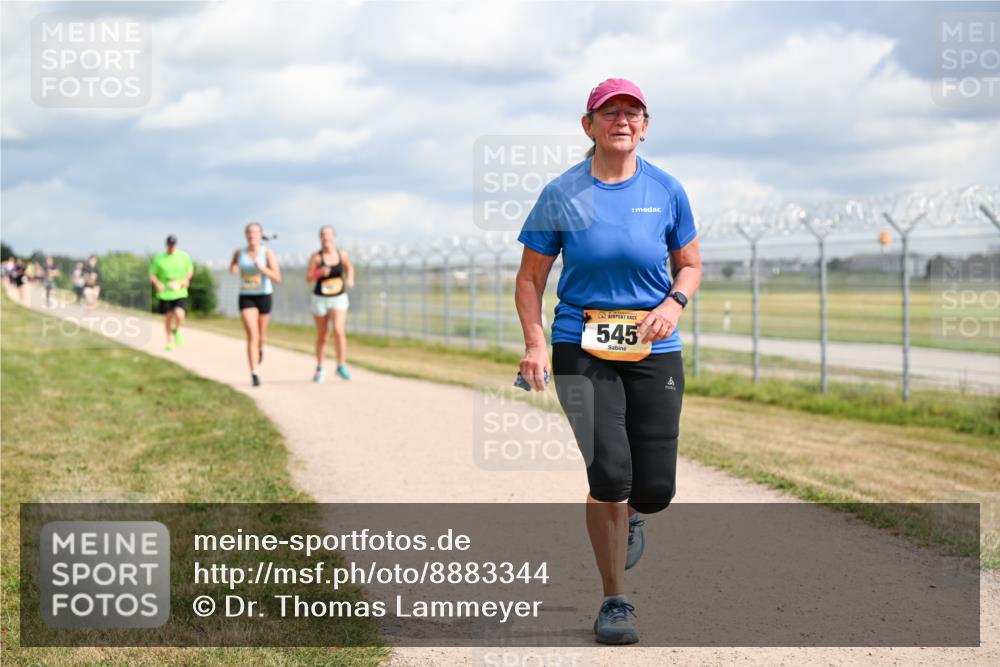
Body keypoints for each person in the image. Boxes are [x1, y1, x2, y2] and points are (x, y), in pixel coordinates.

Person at [514, 78, 702, 645]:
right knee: (610, 474)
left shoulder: (667, 190)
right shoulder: (561, 193)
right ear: (588, 125)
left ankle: (634, 513)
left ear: (645, 126)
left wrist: (673, 304)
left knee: (654, 490)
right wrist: (536, 344)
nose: (622, 120)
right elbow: (530, 279)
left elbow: (690, 265)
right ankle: (614, 600)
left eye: (632, 112)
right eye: (610, 112)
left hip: (653, 345)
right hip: (581, 341)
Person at [229, 222, 281, 386]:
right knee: (252, 334)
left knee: (261, 336)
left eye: (255, 232)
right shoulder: (239, 253)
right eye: (249, 232)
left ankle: (260, 348)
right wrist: (234, 268)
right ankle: (254, 373)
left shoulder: (267, 253)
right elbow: (232, 267)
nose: (252, 235)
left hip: (264, 296)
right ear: (246, 235)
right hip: (246, 296)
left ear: (260, 235)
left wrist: (262, 269)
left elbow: (277, 278)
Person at [306, 225, 355, 381]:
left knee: (339, 330)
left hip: (339, 297)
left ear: (334, 237)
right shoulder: (316, 257)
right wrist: (319, 273)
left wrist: (350, 279)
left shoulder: (342, 255)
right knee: (323, 335)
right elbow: (308, 278)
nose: (326, 237)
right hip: (320, 299)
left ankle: (341, 365)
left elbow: (349, 268)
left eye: (329, 234)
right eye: (323, 234)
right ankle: (320, 368)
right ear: (320, 238)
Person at [149, 235, 195, 351]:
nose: (171, 246)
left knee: (180, 314)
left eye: (173, 244)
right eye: (169, 244)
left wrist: (187, 279)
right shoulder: (159, 259)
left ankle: (177, 329)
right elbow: (152, 274)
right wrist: (157, 283)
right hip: (165, 293)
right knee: (168, 317)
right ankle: (169, 340)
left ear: (176, 245)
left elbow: (190, 270)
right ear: (166, 245)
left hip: (180, 291)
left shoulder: (183, 256)